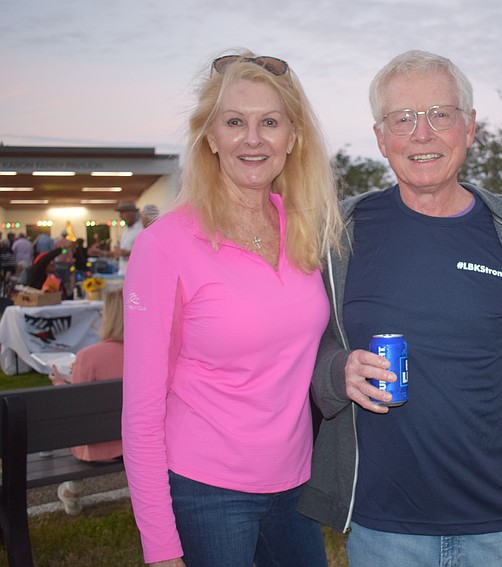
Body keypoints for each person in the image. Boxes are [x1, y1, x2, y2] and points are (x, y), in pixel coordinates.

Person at [297, 50, 502, 567]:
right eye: (402, 119)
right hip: (382, 529)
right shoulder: (338, 237)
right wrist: (338, 372)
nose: (421, 134)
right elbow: (300, 351)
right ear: (381, 138)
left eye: (439, 115)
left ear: (469, 128)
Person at [122, 50, 341, 567]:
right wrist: (160, 546)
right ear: (210, 138)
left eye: (270, 122)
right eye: (234, 122)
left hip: (295, 484)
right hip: (205, 491)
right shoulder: (166, 244)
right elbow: (141, 411)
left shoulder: (307, 231)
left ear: (294, 137)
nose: (252, 138)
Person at [49, 286, 124, 515]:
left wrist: (59, 382)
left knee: (78, 428)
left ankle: (72, 491)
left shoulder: (88, 356)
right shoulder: (148, 353)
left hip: (95, 451)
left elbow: (74, 406)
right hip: (132, 445)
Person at [113, 201, 143, 274]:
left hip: (135, 274)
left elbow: (146, 253)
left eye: (122, 213)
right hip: (123, 272)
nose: (120, 216)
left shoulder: (142, 230)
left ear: (131, 213)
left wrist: (128, 253)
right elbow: (119, 248)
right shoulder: (127, 230)